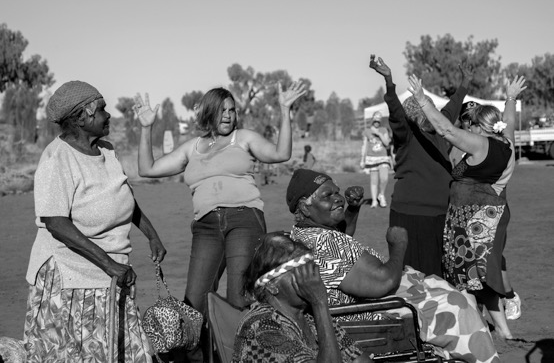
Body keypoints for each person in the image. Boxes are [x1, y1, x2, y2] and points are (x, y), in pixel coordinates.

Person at [133, 82, 306, 361]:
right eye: (222, 110)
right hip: (206, 227)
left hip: (244, 219)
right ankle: (204, 356)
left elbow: (281, 154)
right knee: (194, 301)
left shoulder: (244, 138)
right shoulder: (193, 148)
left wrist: (285, 110)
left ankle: (243, 355)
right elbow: (147, 169)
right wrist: (145, 128)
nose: (228, 115)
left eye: (232, 110)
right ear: (209, 113)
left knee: (238, 297)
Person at [286, 168, 499, 363]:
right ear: (305, 206)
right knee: (458, 305)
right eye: (327, 196)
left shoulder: (302, 235)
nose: (337, 198)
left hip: (362, 305)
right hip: (373, 317)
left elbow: (340, 242)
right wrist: (398, 246)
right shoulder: (326, 243)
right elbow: (383, 283)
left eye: (336, 192)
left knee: (456, 295)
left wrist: (351, 209)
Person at [24, 81, 166, 362]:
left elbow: (125, 198)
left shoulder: (108, 151)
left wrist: (151, 235)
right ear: (81, 117)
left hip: (113, 270)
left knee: (128, 351)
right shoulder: (57, 159)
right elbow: (56, 223)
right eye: (102, 109)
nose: (108, 115)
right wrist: (109, 265)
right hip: (70, 275)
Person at [408, 74, 527, 340]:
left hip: (475, 219)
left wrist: (421, 99)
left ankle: (493, 329)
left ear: (480, 126)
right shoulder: (505, 141)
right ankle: (497, 329)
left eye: (470, 123)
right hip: (488, 215)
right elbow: (508, 123)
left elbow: (446, 130)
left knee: (473, 276)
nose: (467, 127)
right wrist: (510, 97)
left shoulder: (480, 143)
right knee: (477, 276)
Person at [370, 54, 472, 277]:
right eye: (424, 108)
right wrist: (389, 80)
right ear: (413, 115)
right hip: (410, 214)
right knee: (411, 273)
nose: (430, 111)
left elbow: (453, 108)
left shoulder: (440, 130)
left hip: (441, 213)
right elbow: (396, 113)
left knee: (441, 271)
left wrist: (465, 83)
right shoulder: (406, 135)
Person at [233, 231, 370, 363]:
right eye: (301, 272)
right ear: (271, 286)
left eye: (311, 269)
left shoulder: (310, 317)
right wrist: (320, 303)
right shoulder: (261, 327)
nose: (312, 279)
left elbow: (360, 359)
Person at [452, 101, 522, 322]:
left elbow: (508, 126)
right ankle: (489, 309)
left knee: (486, 263)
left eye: (473, 119)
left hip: (488, 211)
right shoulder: (459, 145)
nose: (469, 123)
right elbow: (509, 124)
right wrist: (510, 98)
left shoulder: (493, 145)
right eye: (466, 118)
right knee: (481, 263)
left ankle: (508, 298)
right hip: (467, 212)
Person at [360, 111, 391, 208]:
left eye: (379, 117)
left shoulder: (384, 130)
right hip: (371, 158)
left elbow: (387, 143)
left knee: (384, 178)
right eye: (376, 117)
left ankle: (381, 195)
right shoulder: (366, 131)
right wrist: (362, 159)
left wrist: (378, 134)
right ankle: (374, 201)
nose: (377, 119)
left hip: (383, 157)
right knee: (374, 180)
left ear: (381, 120)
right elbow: (364, 146)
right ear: (372, 118)